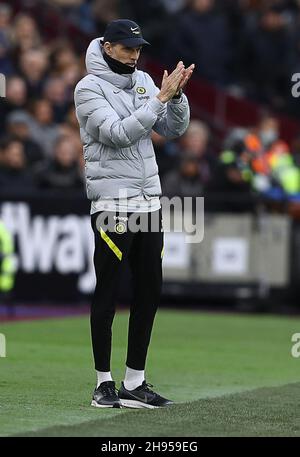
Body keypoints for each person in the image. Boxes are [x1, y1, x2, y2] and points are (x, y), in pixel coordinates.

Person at [74, 19, 194, 409]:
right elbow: (116, 133)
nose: (135, 54)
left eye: (138, 48)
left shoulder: (143, 81)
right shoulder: (88, 88)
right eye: (127, 48)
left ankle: (135, 381)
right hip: (112, 202)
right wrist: (159, 99)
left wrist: (175, 98)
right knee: (108, 289)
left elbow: (173, 130)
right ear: (107, 47)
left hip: (148, 202)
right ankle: (103, 382)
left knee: (149, 289)